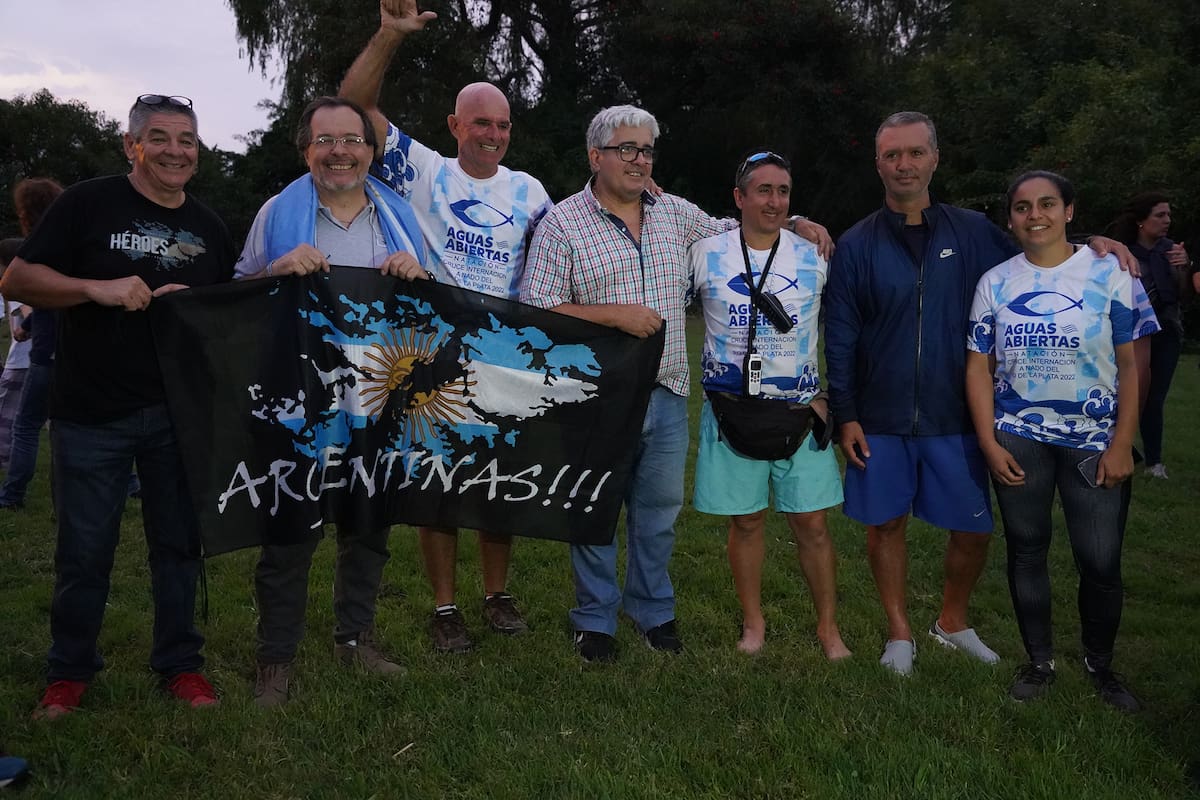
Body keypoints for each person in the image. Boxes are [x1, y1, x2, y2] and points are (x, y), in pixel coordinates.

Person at [824, 111, 1135, 676]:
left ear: (934, 158)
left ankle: (952, 621)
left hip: (962, 414)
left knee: (973, 527)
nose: (904, 164)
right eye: (892, 155)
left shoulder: (973, 233)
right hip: (881, 414)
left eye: (915, 152)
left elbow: (1040, 251)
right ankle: (898, 633)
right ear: (878, 164)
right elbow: (840, 334)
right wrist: (845, 412)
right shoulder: (857, 243)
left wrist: (1095, 241)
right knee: (886, 523)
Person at [521, 103, 830, 662]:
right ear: (596, 156)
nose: (639, 160)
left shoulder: (673, 213)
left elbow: (740, 228)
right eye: (627, 150)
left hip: (664, 390)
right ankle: (594, 619)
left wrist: (799, 221)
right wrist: (614, 314)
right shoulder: (562, 224)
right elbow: (535, 309)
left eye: (646, 150)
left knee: (658, 512)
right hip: (594, 394)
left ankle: (651, 610)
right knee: (594, 506)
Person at [0, 94, 234, 718]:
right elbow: (17, 281)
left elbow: (227, 318)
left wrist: (195, 307)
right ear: (132, 145)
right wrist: (92, 288)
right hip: (90, 414)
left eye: (186, 139)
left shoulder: (210, 228)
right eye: (159, 138)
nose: (175, 151)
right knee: (83, 550)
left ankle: (180, 664)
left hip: (178, 414)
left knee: (179, 546)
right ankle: (69, 671)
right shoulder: (86, 204)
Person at [338, 0, 552, 652]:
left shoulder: (530, 191)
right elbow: (352, 109)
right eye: (480, 123)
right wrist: (389, 34)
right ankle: (444, 606)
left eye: (503, 125)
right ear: (455, 124)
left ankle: (495, 593)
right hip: (432, 356)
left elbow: (564, 253)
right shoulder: (425, 170)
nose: (492, 134)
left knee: (495, 485)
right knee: (437, 484)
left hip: (503, 358)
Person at [235, 96, 428, 707]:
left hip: (377, 396)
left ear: (371, 151)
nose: (340, 151)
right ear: (306, 149)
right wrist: (275, 267)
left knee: (369, 523)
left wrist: (416, 273)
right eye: (326, 140)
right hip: (300, 398)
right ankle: (275, 658)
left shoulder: (400, 217)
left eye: (353, 140)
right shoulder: (277, 213)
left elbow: (435, 306)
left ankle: (356, 639)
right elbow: (233, 294)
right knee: (290, 526)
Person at [965, 171, 1141, 711]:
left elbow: (1132, 367)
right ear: (1010, 217)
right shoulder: (995, 282)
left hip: (1094, 439)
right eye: (1021, 207)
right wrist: (990, 443)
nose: (1033, 215)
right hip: (1018, 437)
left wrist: (1121, 443)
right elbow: (976, 368)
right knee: (1028, 550)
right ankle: (1038, 661)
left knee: (1101, 558)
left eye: (1046, 204)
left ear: (1069, 210)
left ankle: (1100, 664)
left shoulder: (1110, 273)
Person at [690, 152, 849, 658]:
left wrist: (833, 398)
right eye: (763, 190)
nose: (774, 201)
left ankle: (828, 628)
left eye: (783, 191)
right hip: (730, 410)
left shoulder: (815, 254)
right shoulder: (705, 251)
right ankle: (753, 623)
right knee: (747, 521)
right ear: (739, 198)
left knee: (813, 524)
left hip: (801, 411)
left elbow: (845, 329)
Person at [1106, 192, 1190, 479]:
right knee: (1128, 391)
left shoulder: (1172, 250)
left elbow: (1180, 294)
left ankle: (1154, 462)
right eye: (1160, 215)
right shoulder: (1122, 252)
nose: (1167, 221)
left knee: (1154, 397)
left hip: (1165, 331)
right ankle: (1118, 447)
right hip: (1129, 331)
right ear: (1142, 221)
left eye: (1168, 215)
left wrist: (1181, 268)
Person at [0, 179, 63, 509]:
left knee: (26, 427)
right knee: (76, 428)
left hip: (45, 354)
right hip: (76, 354)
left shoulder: (35, 251)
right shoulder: (76, 246)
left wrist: (26, 326)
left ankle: (12, 496)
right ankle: (127, 484)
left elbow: (34, 295)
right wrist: (26, 323)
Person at [0, 238, 29, 472]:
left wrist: (23, 330)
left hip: (21, 363)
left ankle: (4, 458)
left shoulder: (16, 283)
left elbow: (28, 312)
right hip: (42, 359)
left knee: (5, 413)